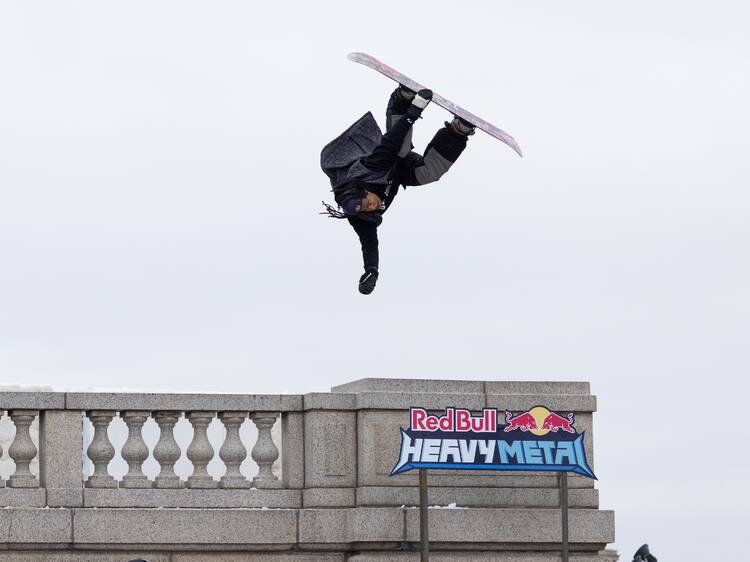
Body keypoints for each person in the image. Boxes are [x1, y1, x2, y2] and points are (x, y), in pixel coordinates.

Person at [320, 85, 475, 294]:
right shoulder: (361, 217)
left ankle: (401, 100)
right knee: (429, 174)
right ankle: (457, 131)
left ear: (364, 190)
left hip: (385, 156)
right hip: (398, 173)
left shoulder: (367, 169)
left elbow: (391, 141)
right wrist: (371, 271)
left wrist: (415, 108)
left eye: (369, 202)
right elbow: (369, 245)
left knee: (400, 147)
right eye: (369, 209)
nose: (374, 206)